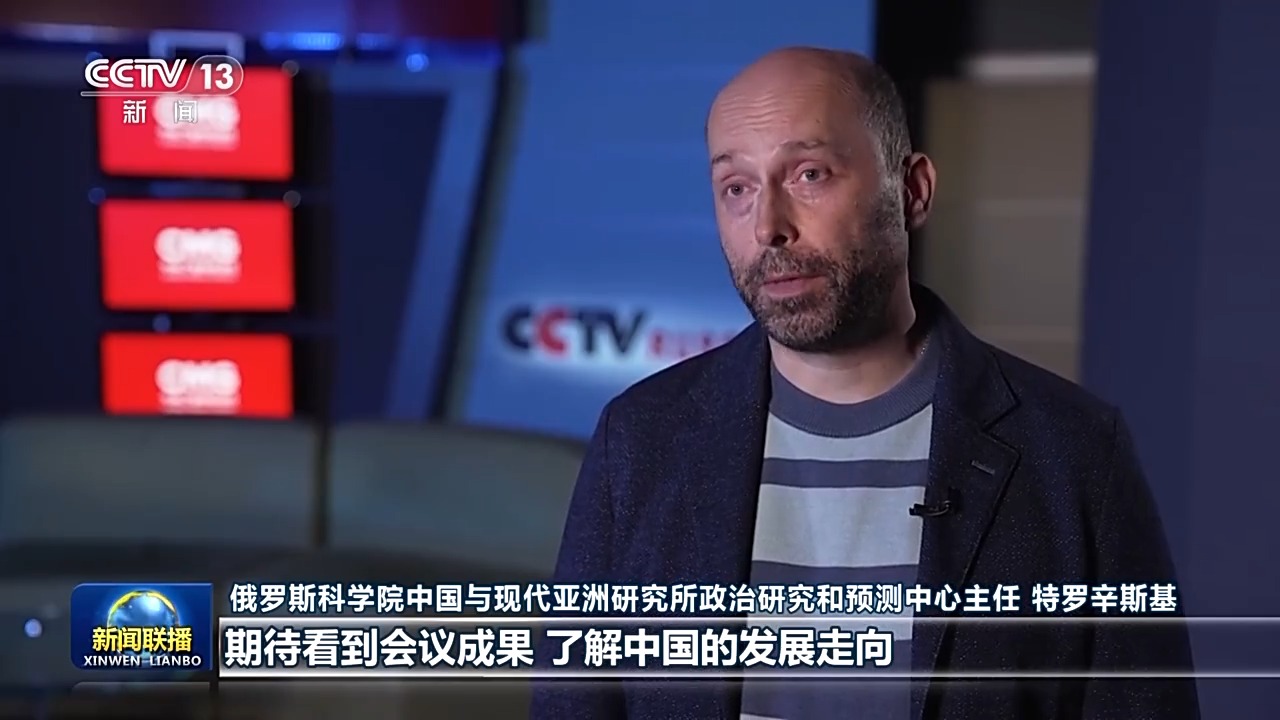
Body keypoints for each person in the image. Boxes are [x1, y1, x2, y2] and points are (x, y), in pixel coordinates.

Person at [529, 47, 1198, 720]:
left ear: (913, 192)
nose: (768, 227)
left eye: (810, 174)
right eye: (736, 187)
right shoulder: (639, 440)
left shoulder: (1075, 452)